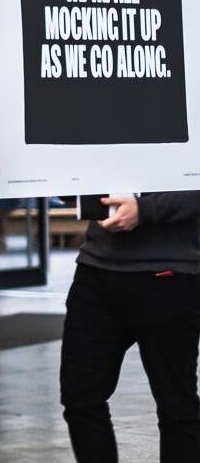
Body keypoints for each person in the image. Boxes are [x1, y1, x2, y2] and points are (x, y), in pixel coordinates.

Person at [60, 191, 200, 462]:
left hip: (170, 271)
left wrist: (146, 209)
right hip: (96, 268)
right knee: (80, 397)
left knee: (176, 407)